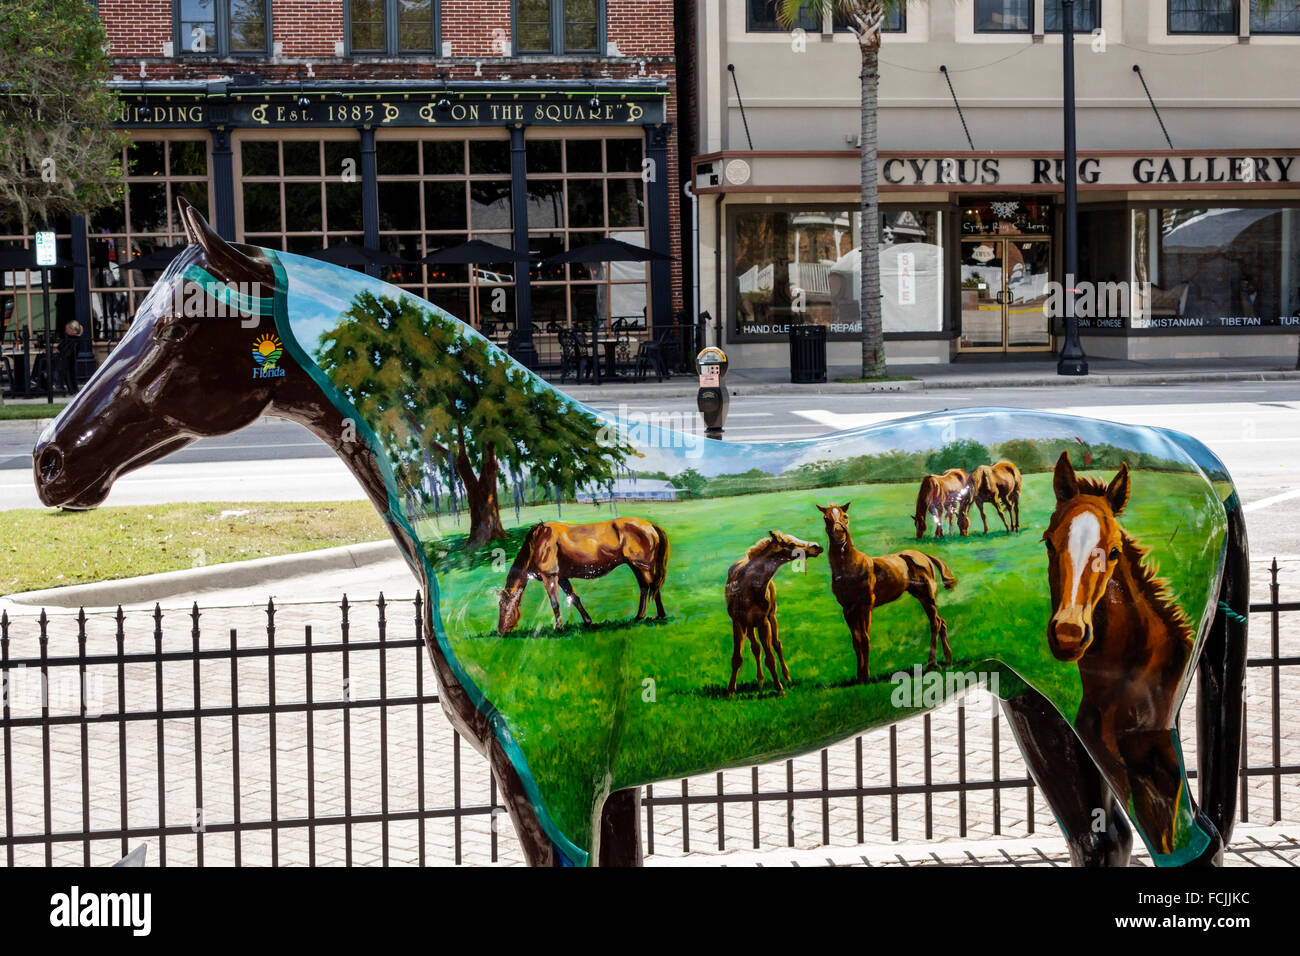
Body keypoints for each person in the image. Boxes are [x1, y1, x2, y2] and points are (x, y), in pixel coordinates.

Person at [56, 319, 83, 395]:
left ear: (72, 329)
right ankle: (71, 389)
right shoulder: (70, 338)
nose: (65, 331)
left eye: (67, 329)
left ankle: (66, 388)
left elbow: (63, 349)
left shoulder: (72, 340)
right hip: (67, 361)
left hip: (66, 361)